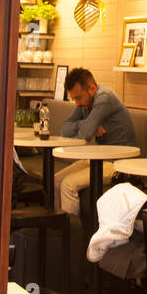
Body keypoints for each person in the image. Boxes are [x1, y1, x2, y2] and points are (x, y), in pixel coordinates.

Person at [57, 68, 137, 216]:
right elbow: (65, 129)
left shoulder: (104, 97)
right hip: (99, 158)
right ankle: (55, 228)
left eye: (78, 98)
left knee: (68, 185)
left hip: (118, 164)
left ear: (92, 89)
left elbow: (85, 135)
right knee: (56, 180)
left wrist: (88, 126)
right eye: (74, 99)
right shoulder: (85, 103)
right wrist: (86, 123)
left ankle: (71, 233)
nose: (76, 103)